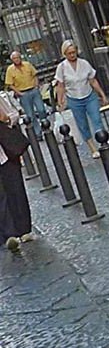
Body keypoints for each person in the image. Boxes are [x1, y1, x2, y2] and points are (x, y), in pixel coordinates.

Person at [52, 39, 108, 158]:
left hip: (89, 96)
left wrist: (102, 94)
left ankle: (103, 139)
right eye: (69, 53)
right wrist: (60, 101)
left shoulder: (84, 63)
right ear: (64, 54)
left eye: (74, 52)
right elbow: (60, 86)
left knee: (96, 119)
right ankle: (93, 148)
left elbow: (92, 80)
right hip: (74, 99)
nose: (72, 55)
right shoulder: (61, 67)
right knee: (82, 124)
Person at [0, 91, 33, 251]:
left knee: (16, 189)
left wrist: (5, 118)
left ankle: (23, 229)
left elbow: (13, 115)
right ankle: (9, 235)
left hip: (6, 152)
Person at [4, 50, 48, 137]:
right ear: (12, 60)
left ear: (20, 57)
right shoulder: (10, 70)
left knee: (41, 109)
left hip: (33, 90)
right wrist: (19, 93)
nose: (17, 59)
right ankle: (38, 133)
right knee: (30, 114)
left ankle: (45, 125)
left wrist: (36, 86)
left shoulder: (27, 65)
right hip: (23, 93)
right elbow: (9, 84)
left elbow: (35, 75)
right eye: (14, 58)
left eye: (18, 57)